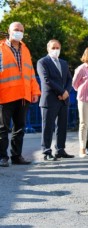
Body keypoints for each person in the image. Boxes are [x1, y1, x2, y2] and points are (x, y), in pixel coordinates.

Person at [0, 22, 41, 167]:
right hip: (4, 95)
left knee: (19, 128)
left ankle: (16, 156)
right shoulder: (0, 48)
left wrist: (35, 91)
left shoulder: (25, 50)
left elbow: (31, 73)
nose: (19, 32)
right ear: (9, 31)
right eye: (16, 30)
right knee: (2, 128)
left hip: (23, 95)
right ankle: (2, 157)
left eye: (21, 30)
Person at [37, 39, 74, 161]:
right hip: (50, 99)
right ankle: (46, 151)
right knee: (47, 126)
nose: (55, 50)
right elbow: (46, 80)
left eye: (58, 48)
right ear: (48, 49)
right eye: (53, 48)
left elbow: (69, 79)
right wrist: (61, 92)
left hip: (63, 100)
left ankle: (60, 150)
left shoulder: (63, 63)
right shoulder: (42, 62)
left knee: (62, 126)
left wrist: (66, 92)